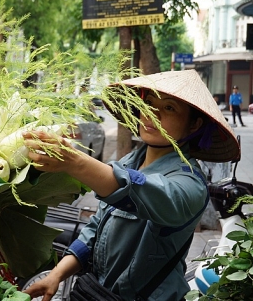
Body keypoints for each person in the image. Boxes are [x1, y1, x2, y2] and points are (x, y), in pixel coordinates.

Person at [23, 70, 239, 301]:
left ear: (194, 124)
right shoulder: (129, 162)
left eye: (168, 108)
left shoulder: (190, 184)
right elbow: (95, 230)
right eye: (148, 103)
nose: (151, 114)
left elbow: (141, 190)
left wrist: (75, 162)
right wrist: (56, 275)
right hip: (98, 292)